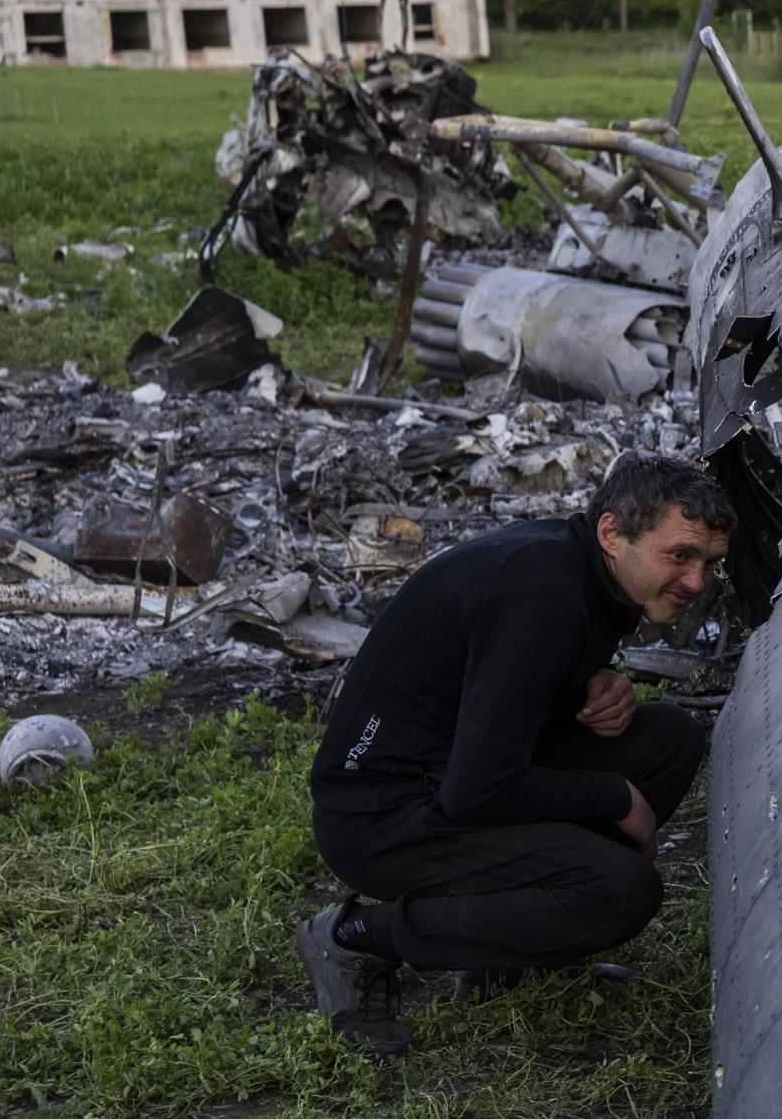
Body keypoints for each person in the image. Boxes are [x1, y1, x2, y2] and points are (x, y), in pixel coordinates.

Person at [297, 452, 736, 1054]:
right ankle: (354, 937)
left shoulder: (578, 565)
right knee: (620, 890)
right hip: (381, 815)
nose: (696, 582)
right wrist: (614, 796)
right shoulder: (545, 594)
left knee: (668, 740)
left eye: (710, 563)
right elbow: (477, 790)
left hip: (446, 771)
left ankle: (510, 949)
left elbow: (493, 690)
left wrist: (591, 682)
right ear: (612, 532)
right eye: (679, 556)